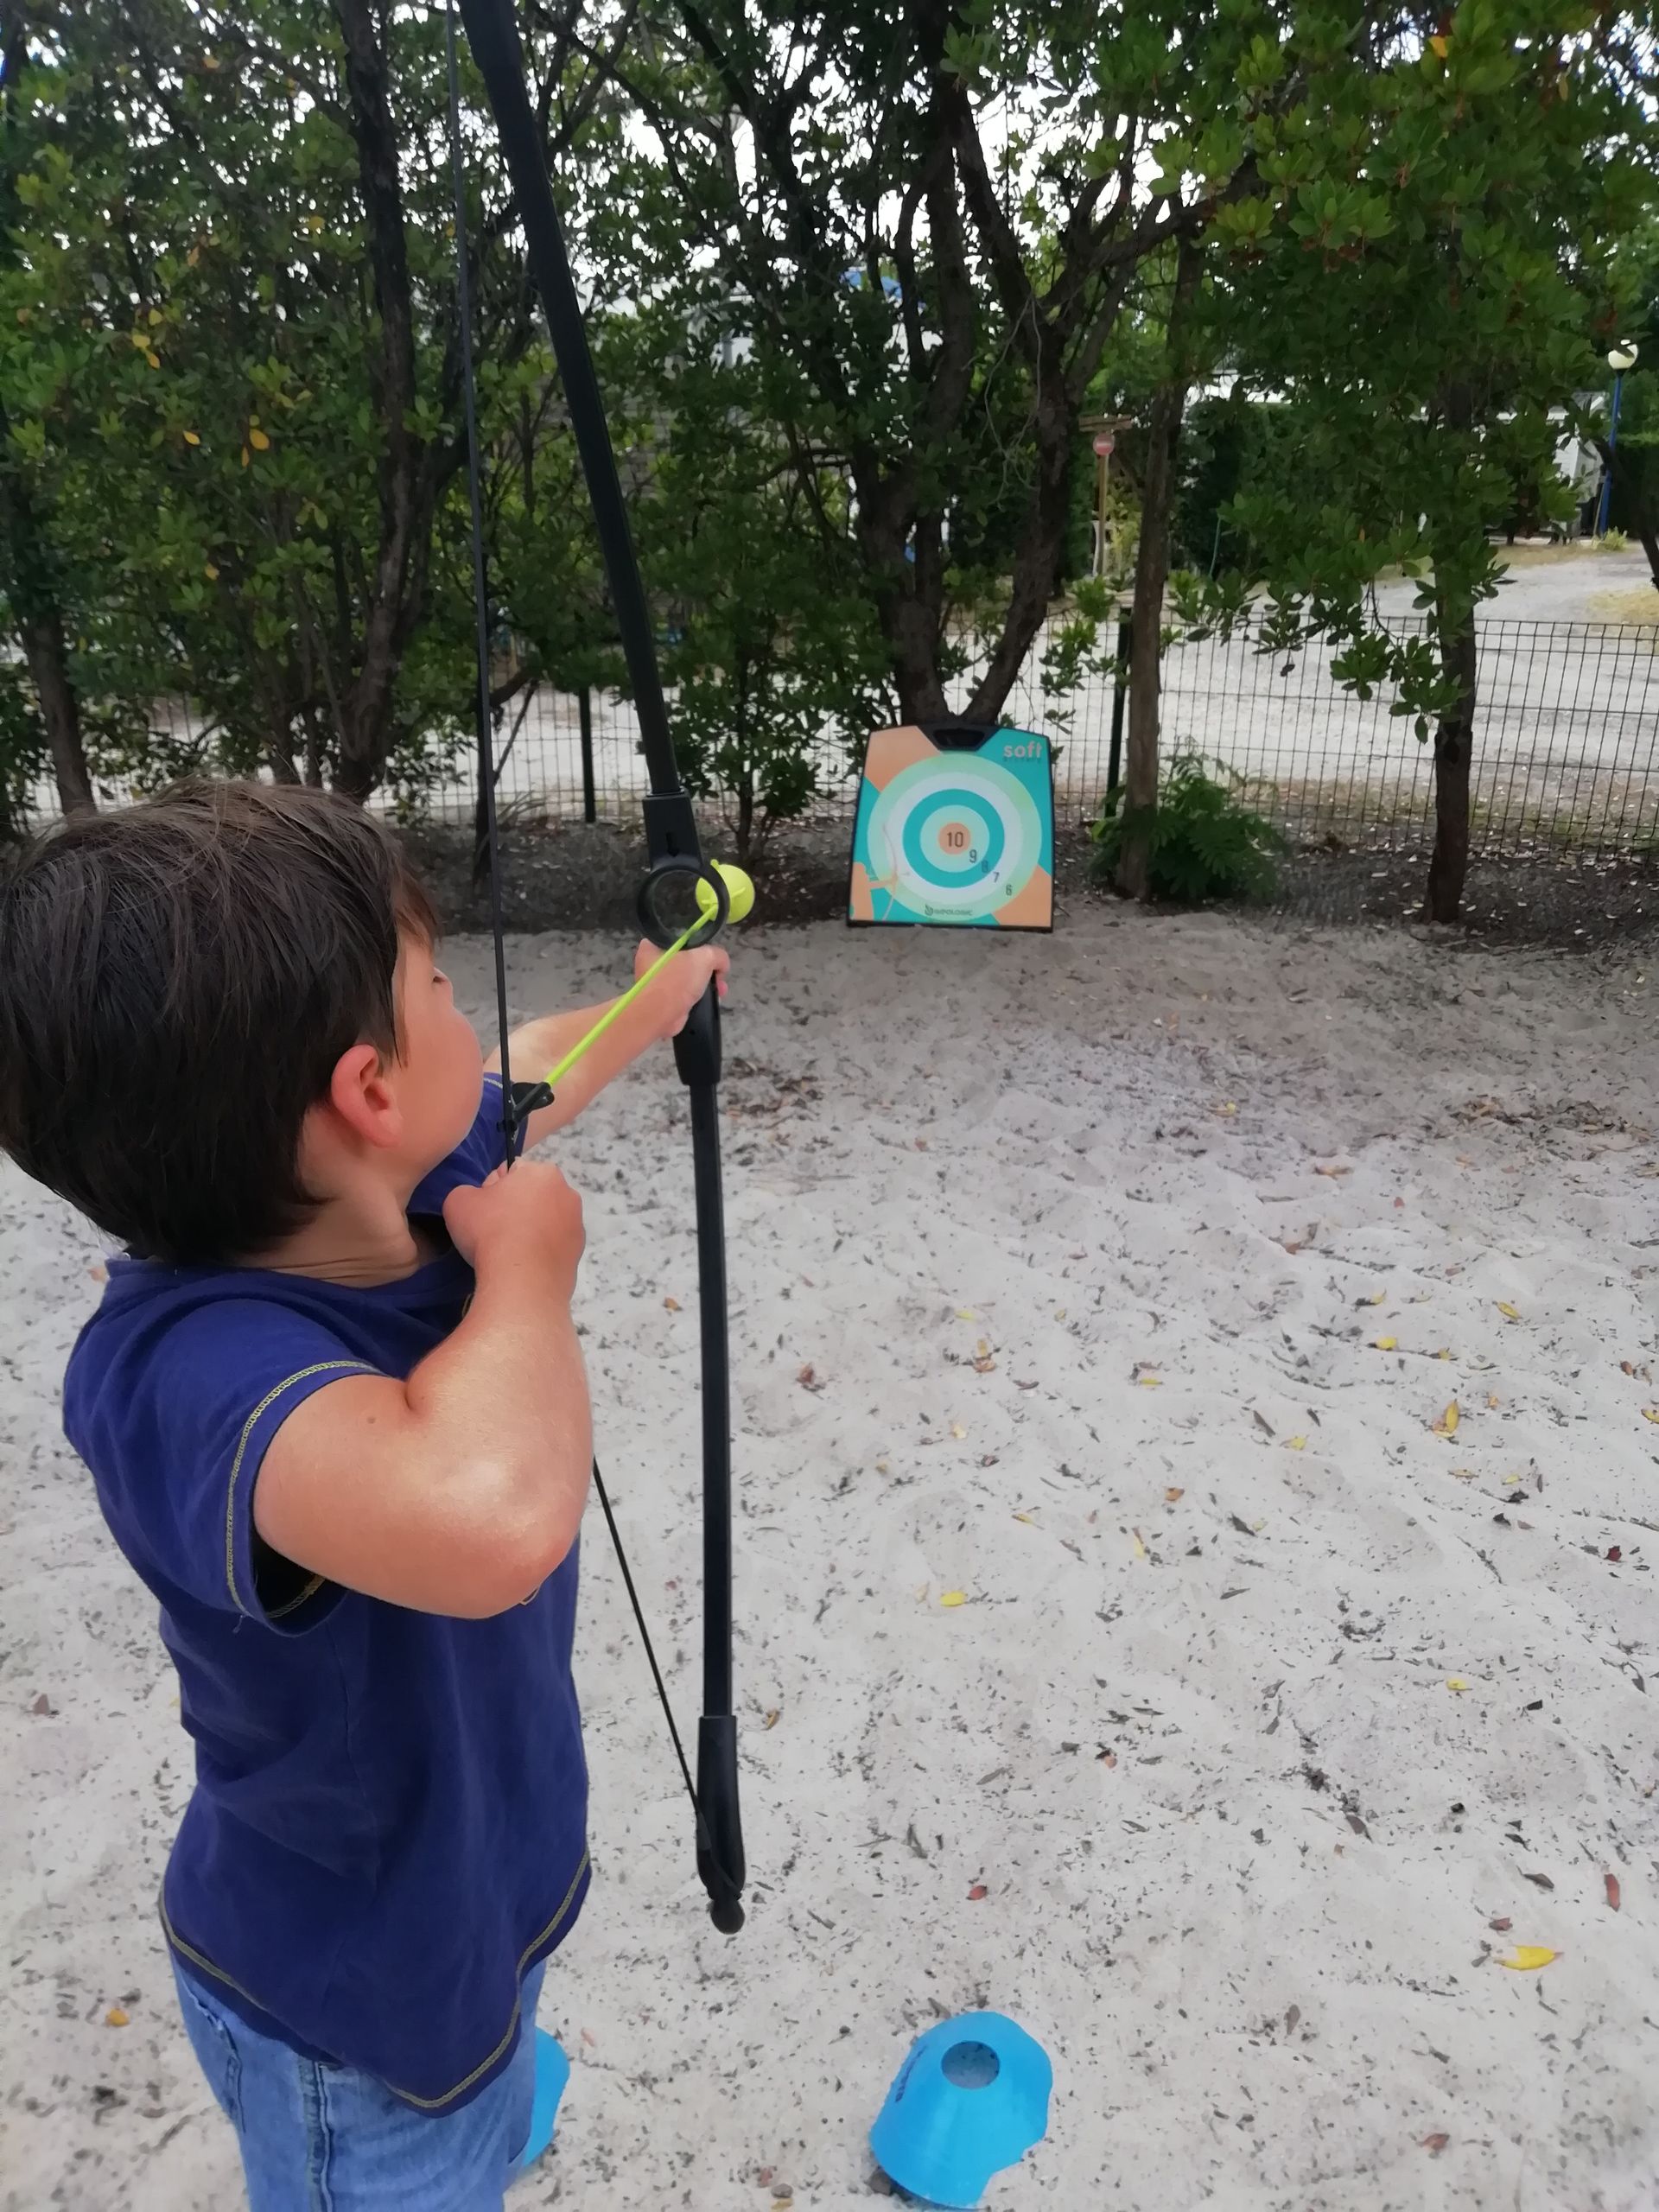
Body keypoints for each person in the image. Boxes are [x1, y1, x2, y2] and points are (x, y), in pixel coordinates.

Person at [0, 779, 729, 2210]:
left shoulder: (377, 1185)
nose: (469, 1014)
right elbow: (491, 1519)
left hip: (462, 1902)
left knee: (481, 2088)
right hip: (351, 2019)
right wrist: (530, 1273)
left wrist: (651, 1003)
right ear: (367, 1095)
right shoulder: (191, 1373)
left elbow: (524, 1072)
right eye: (439, 988)